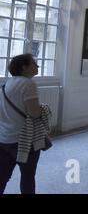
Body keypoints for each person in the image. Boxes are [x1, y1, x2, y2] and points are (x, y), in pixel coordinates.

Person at [0, 54, 42, 194]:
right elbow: (35, 113)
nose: (37, 66)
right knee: (28, 177)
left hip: (4, 138)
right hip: (24, 140)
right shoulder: (28, 84)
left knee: (2, 177)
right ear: (24, 67)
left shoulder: (7, 83)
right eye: (34, 63)